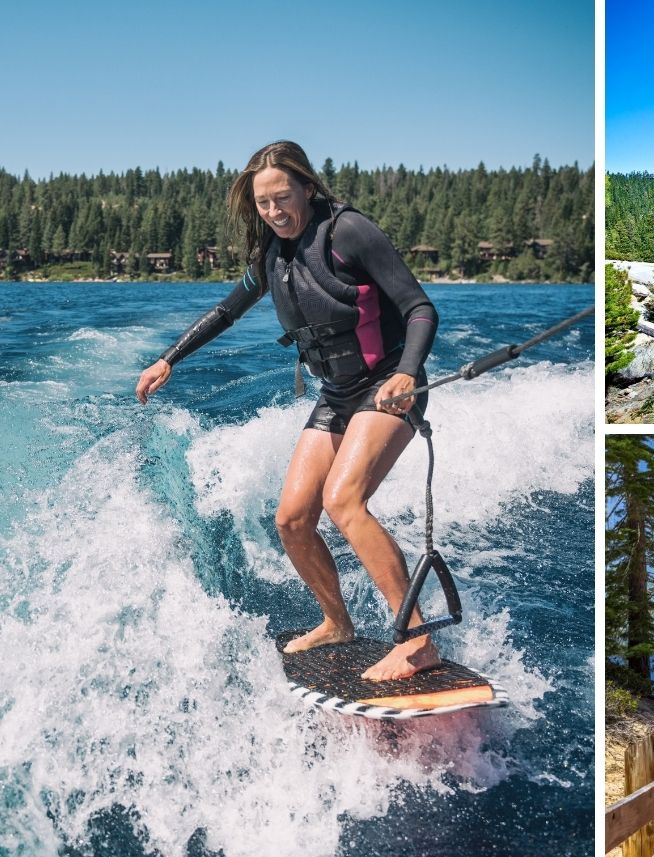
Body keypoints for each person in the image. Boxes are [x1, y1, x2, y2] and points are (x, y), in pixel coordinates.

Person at [136, 141, 440, 681]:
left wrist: (408, 374)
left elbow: (419, 308)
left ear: (307, 188)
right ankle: (337, 622)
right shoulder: (271, 255)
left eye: (283, 198)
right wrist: (169, 359)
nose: (274, 211)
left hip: (387, 384)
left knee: (343, 501)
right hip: (337, 394)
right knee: (293, 519)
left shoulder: (349, 231)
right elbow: (226, 311)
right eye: (263, 203)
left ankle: (417, 642)